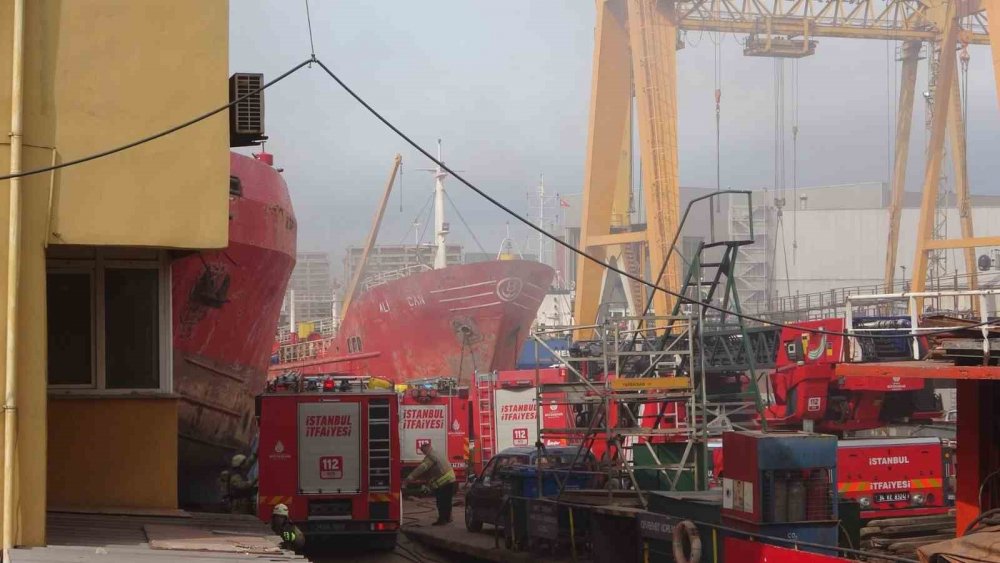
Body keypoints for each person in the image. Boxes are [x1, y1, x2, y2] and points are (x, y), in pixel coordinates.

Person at [404, 443, 456, 525]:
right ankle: (448, 518)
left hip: (444, 483)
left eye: (423, 450)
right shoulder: (437, 453)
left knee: (441, 502)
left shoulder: (430, 457)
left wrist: (409, 478)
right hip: (451, 480)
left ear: (427, 449)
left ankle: (442, 520)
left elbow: (421, 469)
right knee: (447, 501)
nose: (423, 452)